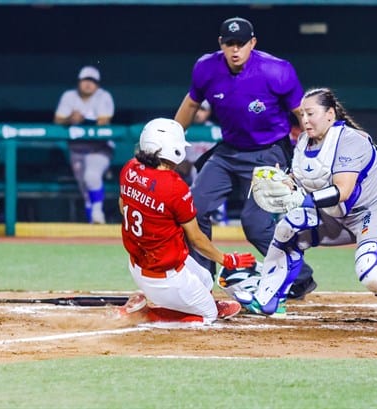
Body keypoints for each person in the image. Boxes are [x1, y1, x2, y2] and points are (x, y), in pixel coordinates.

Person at [239, 88, 377, 322]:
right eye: (302, 115)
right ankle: (267, 298)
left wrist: (302, 200)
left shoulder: (351, 140)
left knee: (372, 274)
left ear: (330, 114)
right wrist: (284, 182)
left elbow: (343, 191)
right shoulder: (303, 141)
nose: (304, 120)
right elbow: (302, 179)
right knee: (288, 227)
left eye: (310, 114)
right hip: (338, 216)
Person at [174, 16, 316, 300]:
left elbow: (302, 113)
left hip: (269, 153)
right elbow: (191, 103)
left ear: (253, 43)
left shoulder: (276, 70)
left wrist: (313, 148)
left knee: (254, 224)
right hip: (229, 151)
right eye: (229, 44)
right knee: (193, 208)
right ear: (220, 44)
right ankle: (202, 280)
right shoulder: (206, 68)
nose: (235, 50)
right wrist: (172, 138)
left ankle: (300, 277)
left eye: (241, 43)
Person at [119, 118, 256, 324]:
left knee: (205, 278)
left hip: (139, 263)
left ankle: (186, 302)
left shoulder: (130, 167)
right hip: (165, 277)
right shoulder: (174, 186)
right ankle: (148, 313)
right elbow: (196, 238)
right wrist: (226, 260)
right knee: (208, 316)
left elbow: (123, 205)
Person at [54, 65, 115, 224]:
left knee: (91, 176)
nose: (88, 84)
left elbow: (103, 120)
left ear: (98, 84)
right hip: (77, 148)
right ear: (79, 82)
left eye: (92, 81)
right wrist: (70, 119)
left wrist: (83, 119)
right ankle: (93, 227)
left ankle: (97, 213)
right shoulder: (69, 96)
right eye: (85, 80)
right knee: (85, 189)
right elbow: (58, 119)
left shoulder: (103, 96)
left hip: (99, 148)